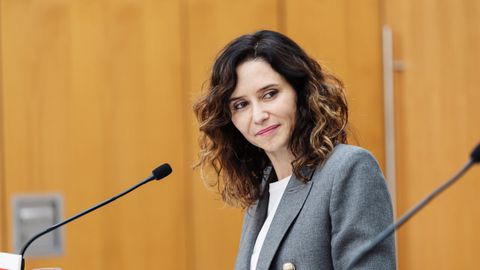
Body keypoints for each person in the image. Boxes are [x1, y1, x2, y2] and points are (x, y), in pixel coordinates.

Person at [193, 30, 395, 270]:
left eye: (269, 94)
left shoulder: (348, 168)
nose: (258, 116)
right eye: (241, 105)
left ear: (301, 92)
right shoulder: (261, 194)